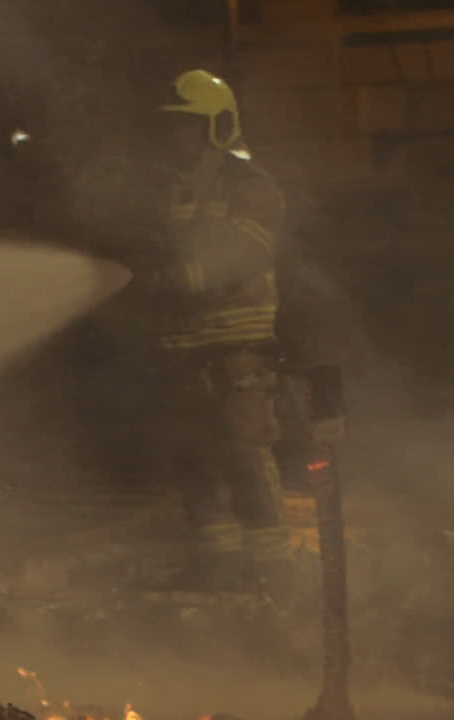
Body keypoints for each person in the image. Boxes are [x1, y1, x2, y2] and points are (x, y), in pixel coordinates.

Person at [147, 69, 292, 592]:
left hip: (237, 348)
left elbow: (248, 249)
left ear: (217, 125)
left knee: (246, 454)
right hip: (184, 347)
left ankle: (274, 571)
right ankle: (217, 564)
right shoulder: (170, 187)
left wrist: (188, 278)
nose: (176, 135)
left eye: (187, 124)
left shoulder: (249, 185)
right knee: (197, 461)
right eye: (173, 125)